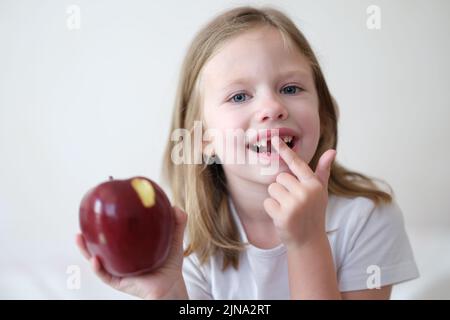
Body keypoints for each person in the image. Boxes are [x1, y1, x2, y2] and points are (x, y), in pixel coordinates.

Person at [76, 6, 419, 299]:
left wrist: (307, 242)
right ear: (202, 137)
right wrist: (168, 293)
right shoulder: (189, 242)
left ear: (324, 116)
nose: (271, 107)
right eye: (239, 96)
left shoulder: (367, 219)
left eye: (290, 88)